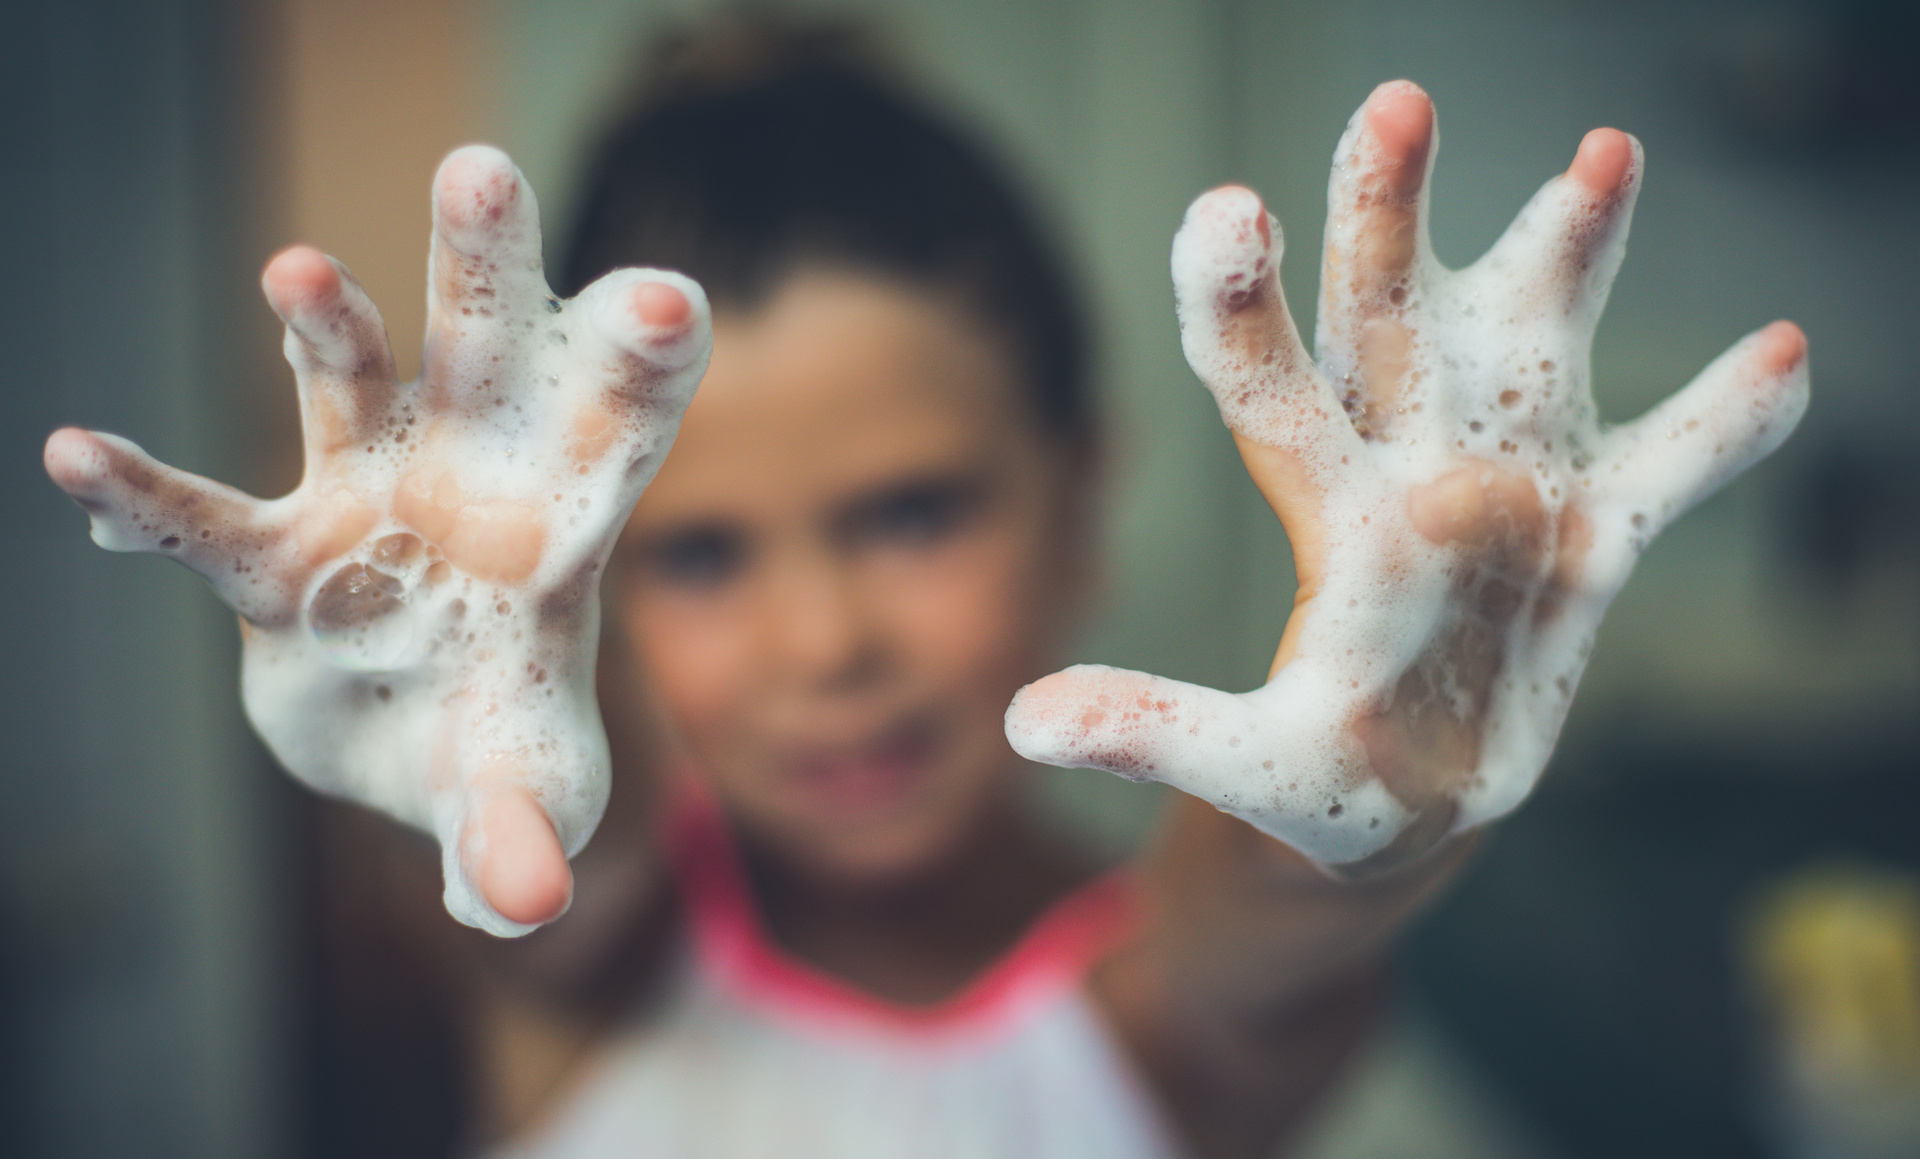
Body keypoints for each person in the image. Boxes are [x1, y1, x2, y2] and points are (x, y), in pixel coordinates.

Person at [58, 12, 1800, 1159]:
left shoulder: (1167, 1018)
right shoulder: (606, 934)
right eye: (701, 553)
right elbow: (533, 878)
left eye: (911, 515)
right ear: (583, 573)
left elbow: (1264, 925)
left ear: (1078, 499)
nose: (829, 646)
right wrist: (417, 681)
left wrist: (1389, 769)